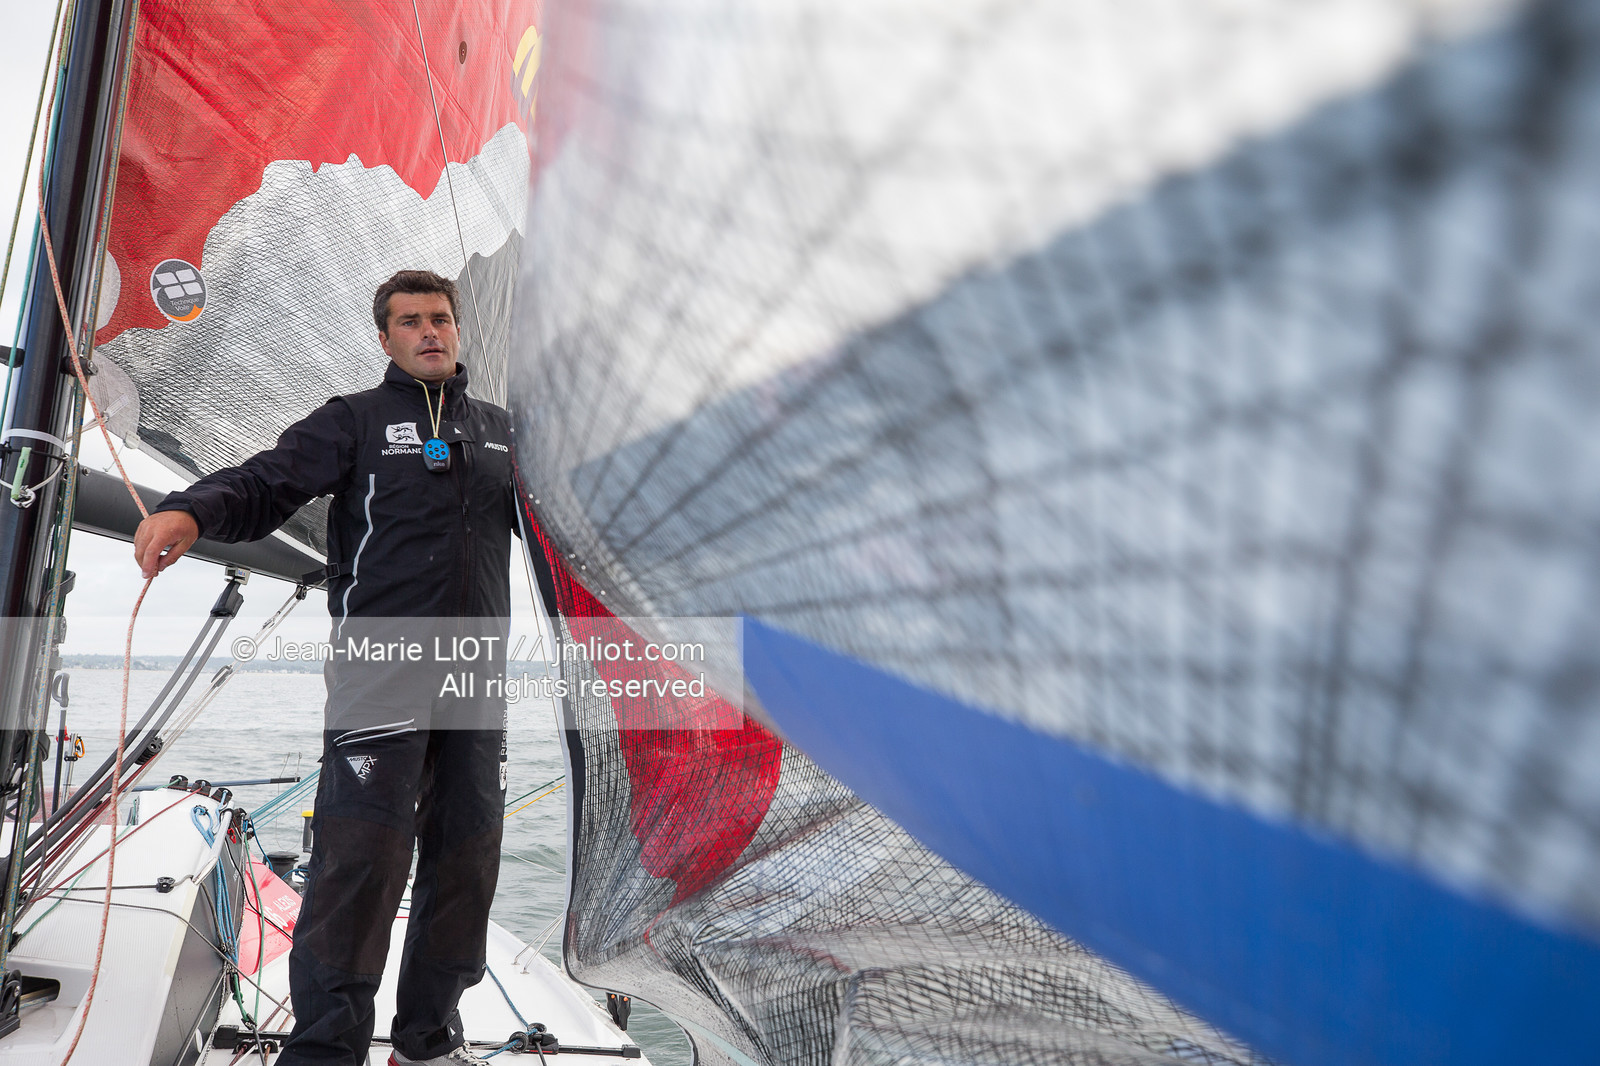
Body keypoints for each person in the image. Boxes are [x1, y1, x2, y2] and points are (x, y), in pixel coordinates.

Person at [133, 270, 519, 1066]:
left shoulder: (503, 434)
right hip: (380, 676)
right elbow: (269, 480)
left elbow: (575, 530)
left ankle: (426, 1040)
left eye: (440, 318)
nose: (430, 331)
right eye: (410, 321)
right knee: (360, 867)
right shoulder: (357, 421)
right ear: (385, 339)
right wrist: (193, 508)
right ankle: (323, 1053)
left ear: (457, 329)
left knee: (467, 861)